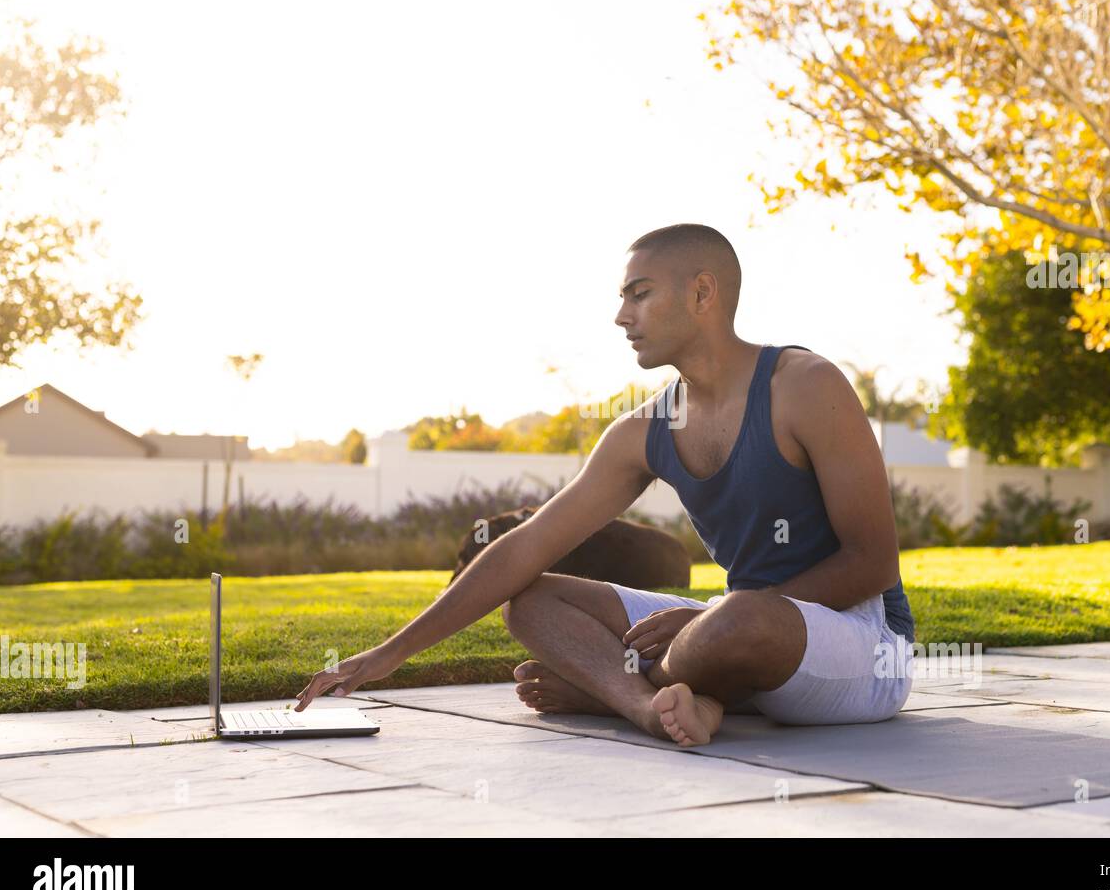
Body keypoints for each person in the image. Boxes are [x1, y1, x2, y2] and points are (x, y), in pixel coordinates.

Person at [296, 223, 915, 746]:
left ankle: (615, 692)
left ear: (703, 293)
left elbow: (874, 561)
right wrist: (386, 655)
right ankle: (650, 706)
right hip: (731, 627)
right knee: (533, 599)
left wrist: (717, 618)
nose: (622, 317)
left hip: (862, 641)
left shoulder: (805, 385)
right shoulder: (644, 429)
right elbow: (525, 547)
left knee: (740, 618)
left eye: (640, 295)